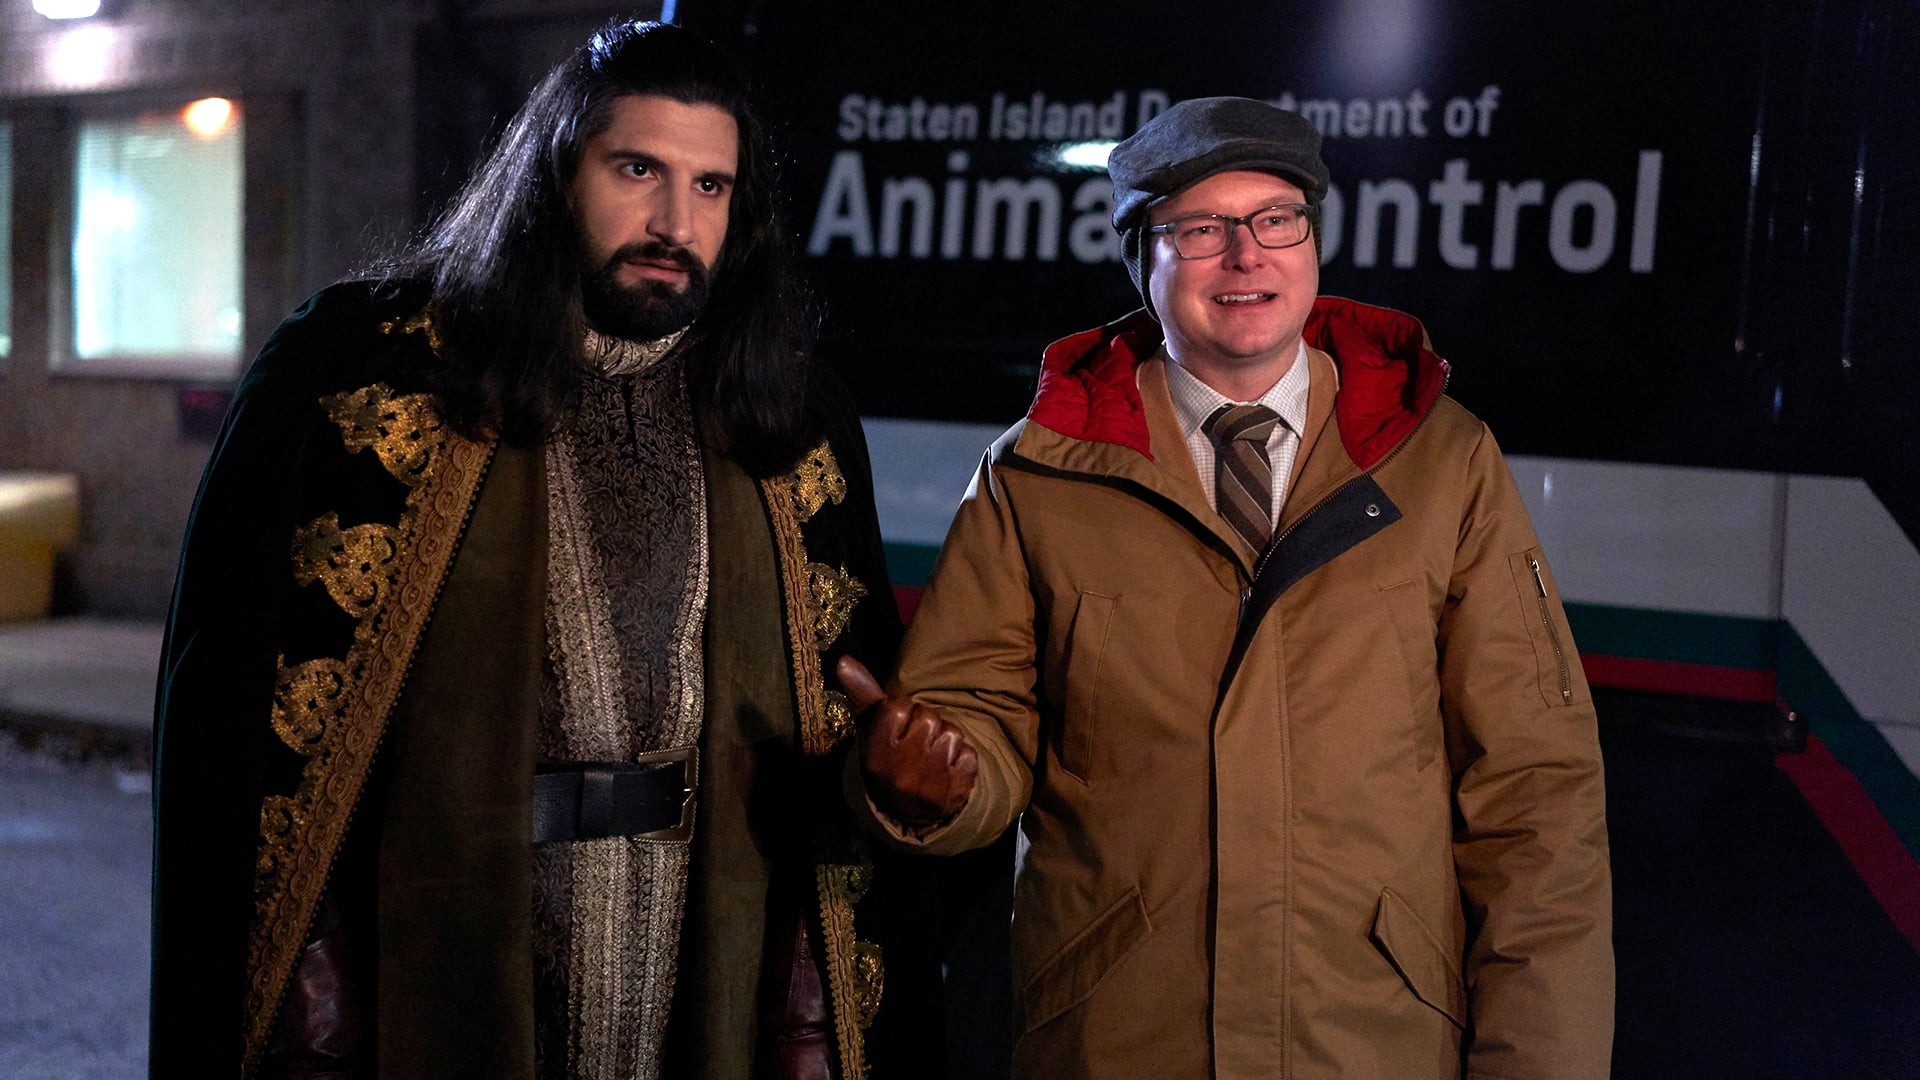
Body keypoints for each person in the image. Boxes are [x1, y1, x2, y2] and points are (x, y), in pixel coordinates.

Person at [151, 20, 940, 1079]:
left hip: (701, 950)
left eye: (710, 187)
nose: (674, 222)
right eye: (637, 170)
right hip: (445, 949)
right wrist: (308, 987)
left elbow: (836, 732)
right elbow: (238, 726)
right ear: (556, 170)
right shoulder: (361, 376)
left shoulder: (786, 415)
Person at [838, 96, 1614, 1078]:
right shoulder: (1036, 475)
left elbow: (1535, 803)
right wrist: (940, 784)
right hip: (1121, 1044)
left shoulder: (1441, 460)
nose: (1247, 255)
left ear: (1313, 242)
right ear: (1143, 262)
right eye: (1200, 230)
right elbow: (971, 719)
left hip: (1369, 1046)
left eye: (1276, 219)